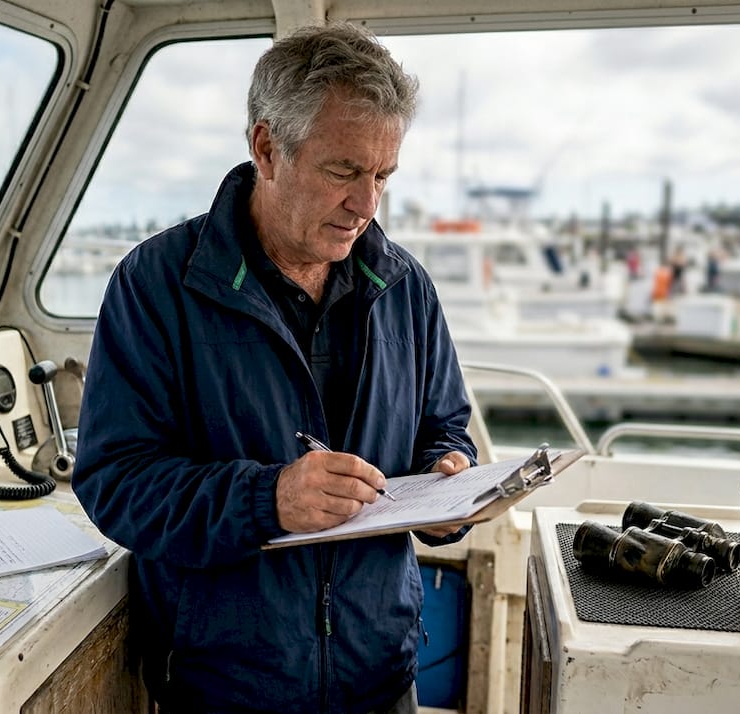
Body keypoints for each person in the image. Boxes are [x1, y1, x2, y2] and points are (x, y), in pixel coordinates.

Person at [72, 22, 477, 714]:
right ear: (266, 148)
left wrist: (450, 488)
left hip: (380, 677)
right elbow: (115, 482)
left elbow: (445, 428)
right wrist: (268, 500)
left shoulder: (406, 287)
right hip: (223, 687)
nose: (367, 205)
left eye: (382, 176)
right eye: (343, 171)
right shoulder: (156, 285)